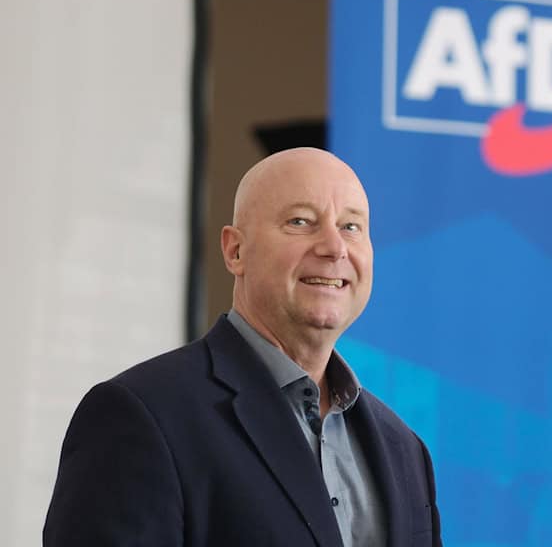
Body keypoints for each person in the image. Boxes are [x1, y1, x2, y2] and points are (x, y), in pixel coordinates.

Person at [45, 147, 442, 546]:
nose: (335, 248)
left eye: (351, 227)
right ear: (236, 251)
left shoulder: (404, 450)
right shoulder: (141, 414)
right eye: (301, 221)